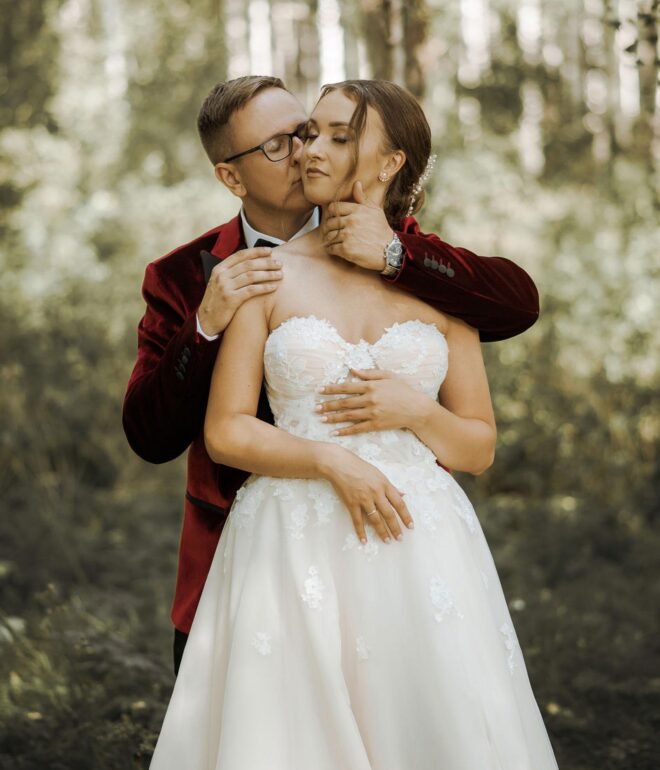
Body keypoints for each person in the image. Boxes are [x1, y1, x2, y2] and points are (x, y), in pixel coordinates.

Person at [148, 80, 558, 769]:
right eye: (308, 134)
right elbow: (221, 431)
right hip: (290, 536)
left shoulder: (438, 281)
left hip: (419, 538)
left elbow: (479, 444)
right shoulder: (262, 276)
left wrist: (419, 412)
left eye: (336, 135)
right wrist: (333, 460)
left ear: (390, 161)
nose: (310, 149)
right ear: (230, 174)